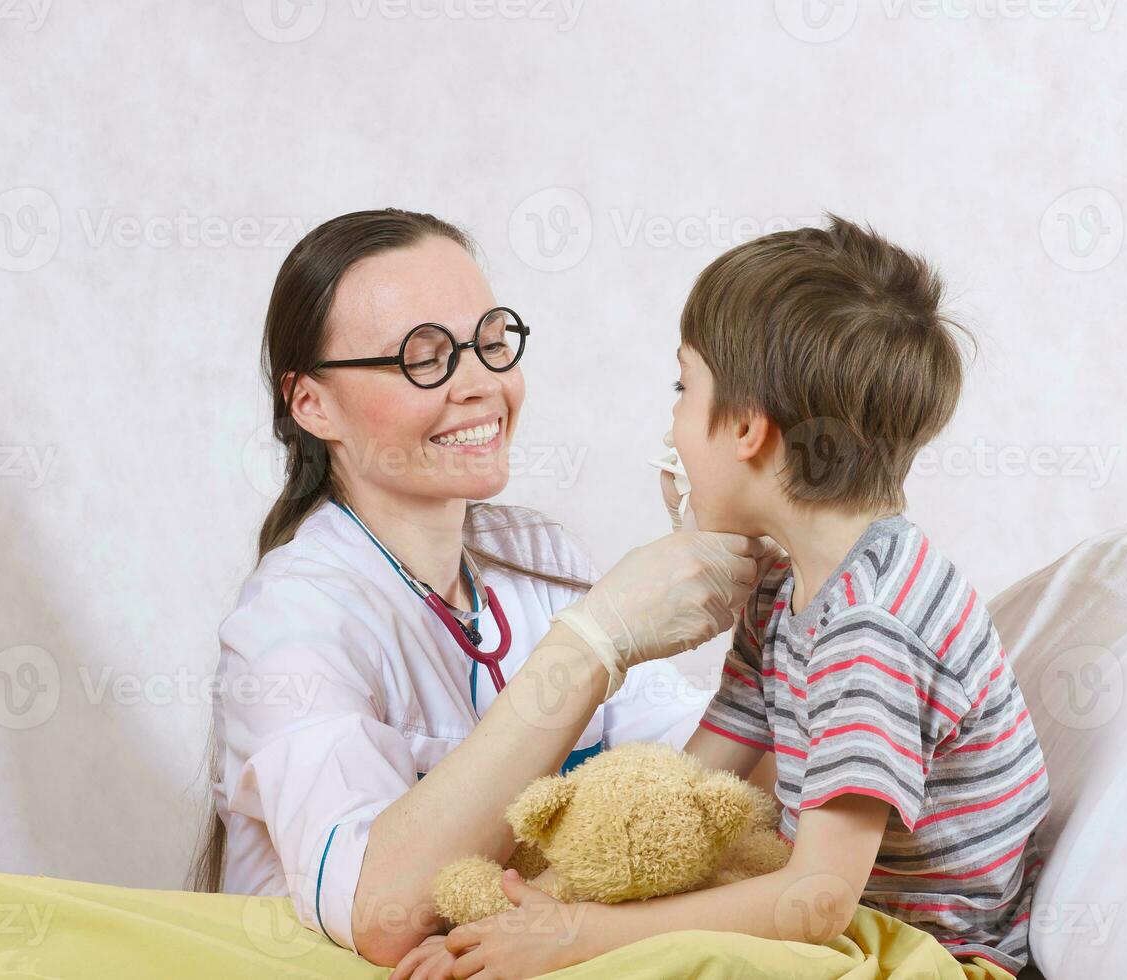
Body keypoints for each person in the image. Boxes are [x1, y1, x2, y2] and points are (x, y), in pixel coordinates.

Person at [443, 216, 1051, 980]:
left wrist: (578, 934)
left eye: (682, 387)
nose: (670, 423)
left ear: (746, 430)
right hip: (830, 906)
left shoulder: (872, 629)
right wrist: (551, 901)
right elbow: (698, 789)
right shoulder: (787, 587)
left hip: (924, 951)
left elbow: (818, 902)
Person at [188, 208, 773, 969]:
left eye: (491, 343)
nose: (480, 384)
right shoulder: (291, 618)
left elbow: (690, 791)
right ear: (311, 404)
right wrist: (587, 646)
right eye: (421, 358)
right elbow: (384, 912)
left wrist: (781, 603)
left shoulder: (530, 554)